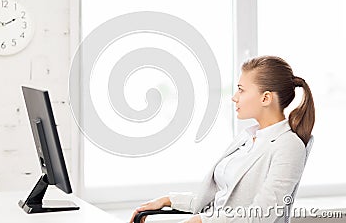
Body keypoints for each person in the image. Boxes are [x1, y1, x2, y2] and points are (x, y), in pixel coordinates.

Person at [129, 55, 315, 223]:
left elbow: (263, 214)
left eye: (241, 90)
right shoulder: (247, 139)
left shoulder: (288, 146)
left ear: (266, 98)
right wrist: (167, 200)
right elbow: (219, 202)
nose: (235, 98)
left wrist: (201, 221)